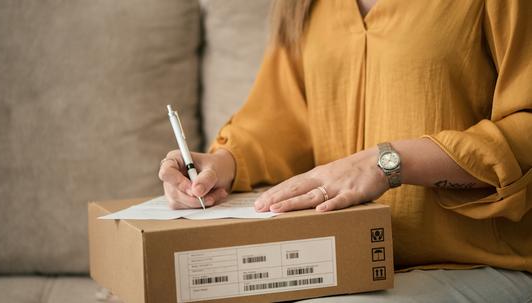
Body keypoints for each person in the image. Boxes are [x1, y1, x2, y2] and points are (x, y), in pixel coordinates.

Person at [159, 0, 532, 298]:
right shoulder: (303, 5)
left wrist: (388, 162)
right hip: (342, 261)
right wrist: (223, 163)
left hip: (474, 261)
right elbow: (284, 118)